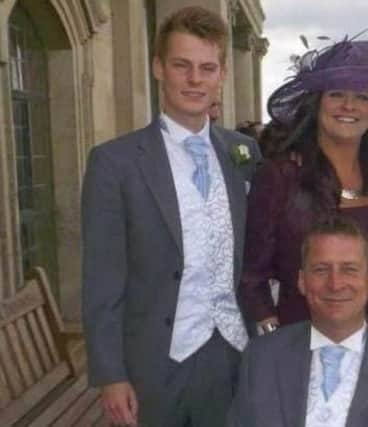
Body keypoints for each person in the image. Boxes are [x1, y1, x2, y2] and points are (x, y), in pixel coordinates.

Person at [82, 7, 261, 427]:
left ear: (221, 76)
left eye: (207, 68)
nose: (195, 80)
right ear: (159, 68)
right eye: (182, 65)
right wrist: (111, 375)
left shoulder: (244, 154)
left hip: (234, 356)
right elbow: (102, 279)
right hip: (155, 363)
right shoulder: (115, 162)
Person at [239, 39, 368, 334]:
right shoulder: (281, 176)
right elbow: (252, 274)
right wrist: (272, 339)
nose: (349, 105)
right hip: (300, 340)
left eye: (362, 97)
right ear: (317, 104)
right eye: (336, 94)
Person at [228, 216, 368, 427]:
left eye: (349, 269)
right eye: (321, 270)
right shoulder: (262, 358)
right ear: (301, 281)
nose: (335, 284)